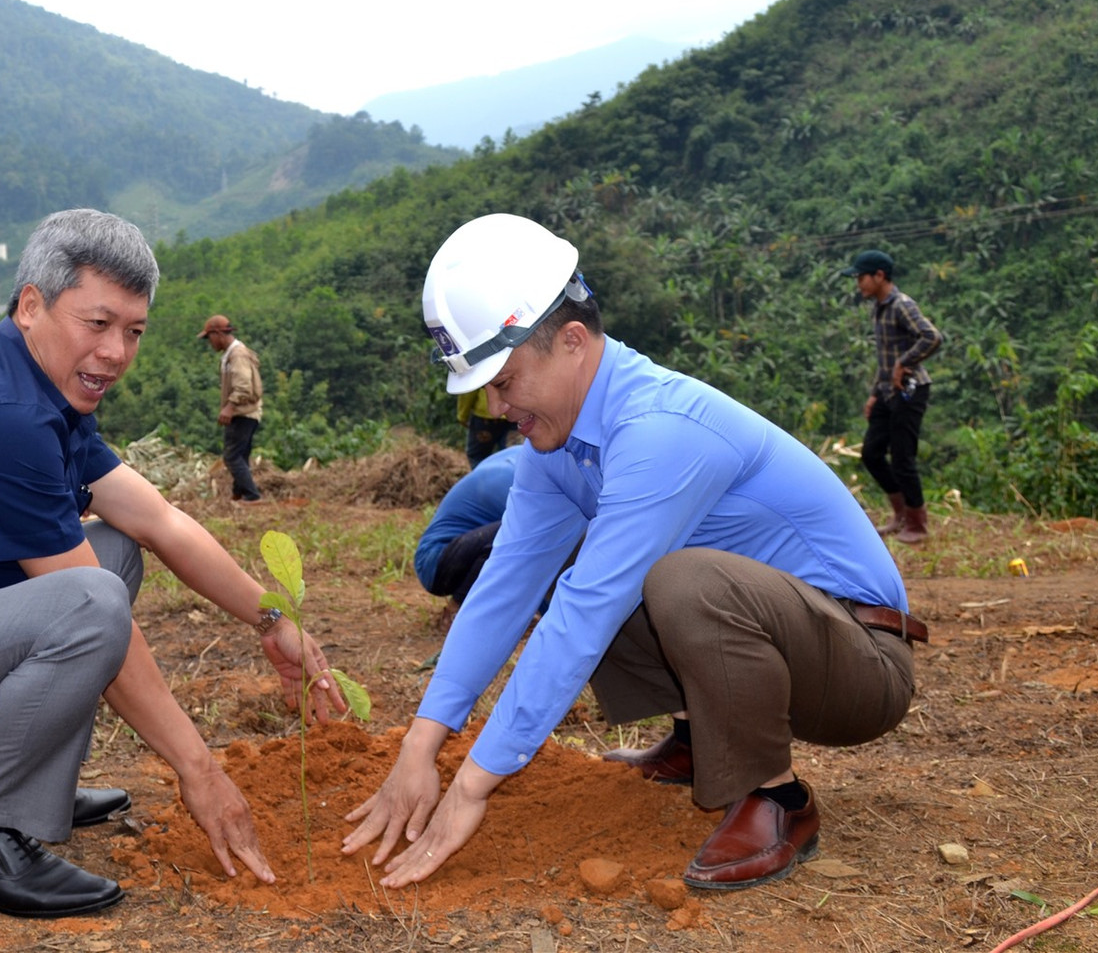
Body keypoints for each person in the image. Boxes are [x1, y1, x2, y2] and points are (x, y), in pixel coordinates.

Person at [344, 214, 921, 893]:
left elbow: (585, 614)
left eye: (504, 381)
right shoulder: (554, 449)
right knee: (586, 566)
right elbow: (504, 587)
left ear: (572, 341)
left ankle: (779, 802)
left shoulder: (658, 430)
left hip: (860, 661)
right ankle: (696, 739)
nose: (497, 407)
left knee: (677, 580)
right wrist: (422, 747)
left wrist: (471, 785)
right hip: (788, 645)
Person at [0, 209, 339, 920]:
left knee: (112, 554)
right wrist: (199, 771)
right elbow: (86, 606)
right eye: (97, 323)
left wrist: (273, 618)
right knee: (91, 597)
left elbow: (158, 520)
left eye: (133, 331)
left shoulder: (41, 390)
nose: (115, 352)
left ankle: (25, 787)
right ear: (30, 306)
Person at [843, 249, 943, 545]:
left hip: (911, 391)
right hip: (887, 392)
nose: (858, 283)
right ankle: (900, 515)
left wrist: (904, 363)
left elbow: (932, 337)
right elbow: (885, 358)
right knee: (871, 453)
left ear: (879, 276)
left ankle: (918, 523)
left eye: (861, 277)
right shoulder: (878, 307)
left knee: (902, 457)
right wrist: (875, 393)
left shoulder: (902, 305)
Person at [414, 444, 525, 611]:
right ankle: (459, 608)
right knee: (522, 535)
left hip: (453, 554)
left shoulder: (516, 457)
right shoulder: (513, 483)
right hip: (437, 563)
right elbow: (542, 554)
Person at [198, 314, 264, 503]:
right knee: (240, 455)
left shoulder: (237, 354)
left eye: (209, 337)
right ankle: (239, 494)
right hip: (247, 412)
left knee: (232, 456)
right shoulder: (232, 353)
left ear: (218, 334)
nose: (210, 342)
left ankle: (252, 496)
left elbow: (243, 386)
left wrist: (229, 407)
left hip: (243, 413)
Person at [458, 387, 517, 468]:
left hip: (485, 418)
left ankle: (481, 479)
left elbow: (468, 389)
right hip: (513, 415)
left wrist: (463, 415)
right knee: (513, 456)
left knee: (478, 457)